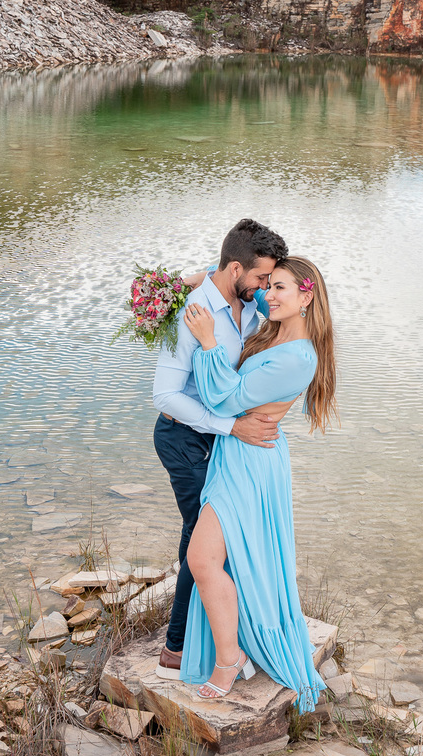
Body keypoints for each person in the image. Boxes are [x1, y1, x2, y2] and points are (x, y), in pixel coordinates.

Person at [178, 257, 336, 710]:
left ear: (306, 295)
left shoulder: (299, 356)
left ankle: (230, 660)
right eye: (269, 286)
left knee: (202, 558)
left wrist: (207, 341)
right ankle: (232, 651)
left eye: (281, 287)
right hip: (237, 453)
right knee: (214, 559)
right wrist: (199, 280)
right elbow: (236, 274)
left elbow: (225, 399)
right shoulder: (271, 330)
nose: (270, 294)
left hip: (252, 460)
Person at [151, 219, 288, 681]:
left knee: (220, 538)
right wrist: (232, 427)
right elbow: (166, 396)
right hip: (184, 437)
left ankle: (221, 638)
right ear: (236, 269)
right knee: (202, 539)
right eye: (261, 278)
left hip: (220, 437)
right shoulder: (194, 313)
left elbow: (291, 292)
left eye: (270, 280)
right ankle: (176, 648)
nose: (266, 287)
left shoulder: (245, 299)